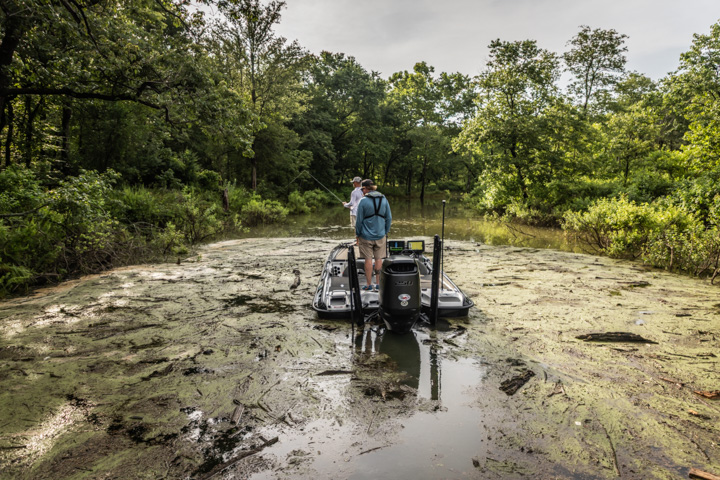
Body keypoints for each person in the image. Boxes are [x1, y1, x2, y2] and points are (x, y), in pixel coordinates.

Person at [355, 179, 392, 290]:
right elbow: (389, 218)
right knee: (378, 259)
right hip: (380, 235)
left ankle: (368, 285)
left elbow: (359, 221)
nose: (362, 192)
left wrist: (357, 234)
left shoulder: (363, 201)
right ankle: (378, 284)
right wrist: (385, 231)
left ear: (366, 189)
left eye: (362, 189)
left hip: (365, 236)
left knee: (368, 260)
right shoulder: (384, 199)